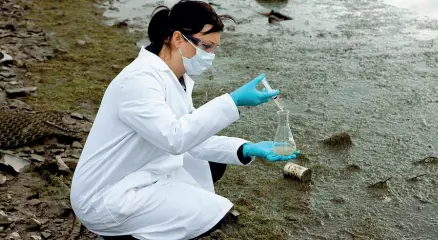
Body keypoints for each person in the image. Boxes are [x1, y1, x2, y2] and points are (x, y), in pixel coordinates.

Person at [70, 1, 300, 239]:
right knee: (210, 214)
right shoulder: (138, 81)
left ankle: (138, 228)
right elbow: (175, 138)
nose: (210, 56)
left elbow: (194, 137)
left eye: (214, 49)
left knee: (212, 165)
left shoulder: (175, 79)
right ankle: (120, 234)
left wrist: (247, 148)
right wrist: (233, 101)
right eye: (206, 47)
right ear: (178, 38)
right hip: (106, 195)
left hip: (138, 173)